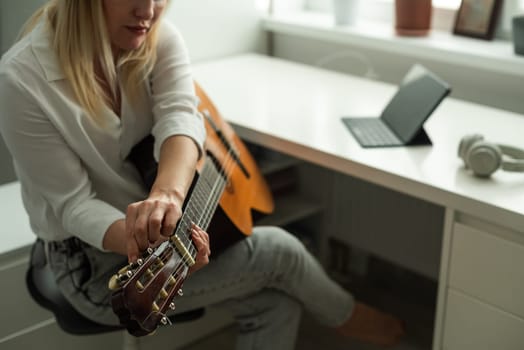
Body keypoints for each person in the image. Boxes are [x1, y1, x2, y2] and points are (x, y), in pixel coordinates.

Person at [0, 0, 404, 348]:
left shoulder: (157, 33)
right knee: (282, 251)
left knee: (276, 303)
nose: (150, 10)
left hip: (153, 220)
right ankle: (347, 315)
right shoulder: (22, 79)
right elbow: (73, 205)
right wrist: (152, 246)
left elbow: (181, 117)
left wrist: (168, 199)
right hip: (90, 265)